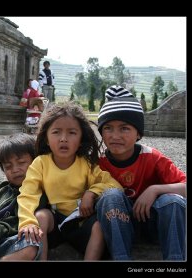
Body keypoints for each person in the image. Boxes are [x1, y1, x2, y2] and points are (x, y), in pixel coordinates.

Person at [16, 102, 122, 260]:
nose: (63, 139)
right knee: (41, 216)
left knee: (99, 226)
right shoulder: (41, 163)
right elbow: (28, 194)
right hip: (54, 223)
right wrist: (27, 222)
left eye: (72, 133)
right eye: (56, 132)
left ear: (81, 139)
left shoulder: (86, 164)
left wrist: (92, 192)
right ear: (46, 138)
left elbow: (115, 185)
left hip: (80, 223)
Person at [96, 85, 186, 260]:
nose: (115, 136)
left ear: (138, 133)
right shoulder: (98, 163)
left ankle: (176, 261)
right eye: (108, 128)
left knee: (173, 201)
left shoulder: (151, 157)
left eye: (124, 128)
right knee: (110, 196)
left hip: (154, 226)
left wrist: (155, 190)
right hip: (117, 227)